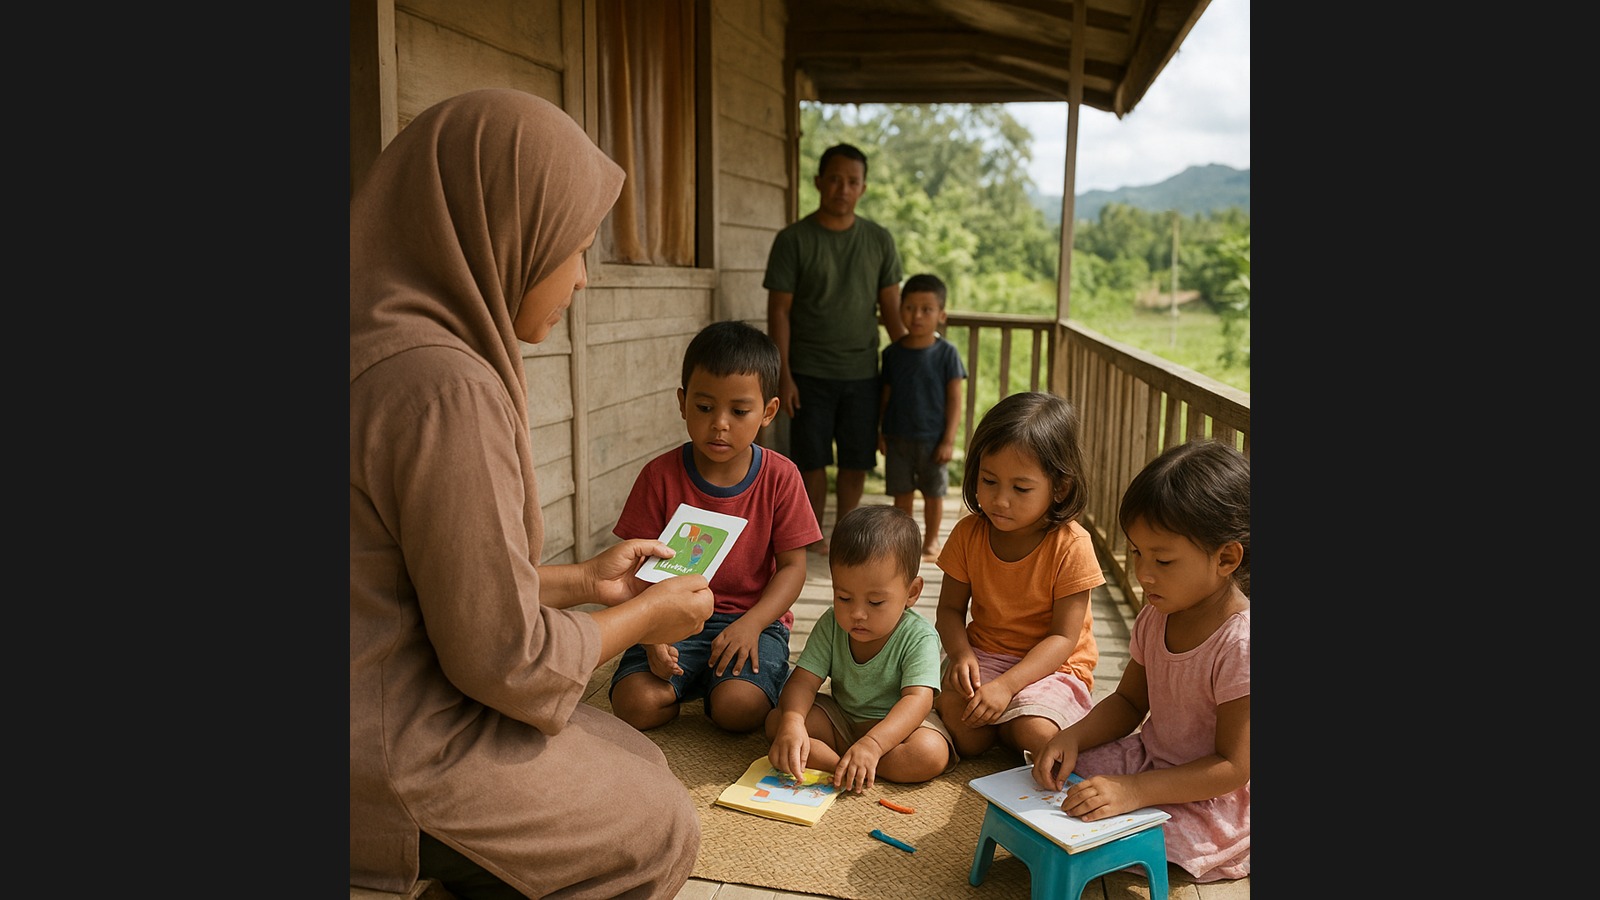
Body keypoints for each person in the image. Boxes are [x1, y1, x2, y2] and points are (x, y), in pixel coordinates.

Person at [350, 88, 717, 900]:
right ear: (505, 232)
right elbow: (505, 658)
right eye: (575, 247)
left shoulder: (375, 337)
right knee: (656, 824)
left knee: (631, 756)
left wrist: (583, 581)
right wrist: (644, 618)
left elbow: (416, 581)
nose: (582, 278)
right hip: (389, 748)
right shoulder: (442, 386)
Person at [1029, 439, 1250, 882]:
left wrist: (1133, 791)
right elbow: (1129, 702)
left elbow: (1233, 767)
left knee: (1134, 838)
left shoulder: (1239, 644)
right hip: (1150, 759)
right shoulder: (1157, 614)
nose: (1143, 574)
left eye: (1163, 560)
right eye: (1136, 553)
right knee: (1060, 784)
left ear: (1226, 557)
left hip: (1208, 791)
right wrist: (1072, 736)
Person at [609, 320, 822, 733]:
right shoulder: (659, 476)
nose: (720, 423)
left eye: (739, 412)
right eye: (705, 408)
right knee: (636, 705)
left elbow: (794, 568)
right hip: (667, 617)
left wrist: (753, 624)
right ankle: (693, 681)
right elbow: (633, 570)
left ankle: (721, 685)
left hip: (750, 619)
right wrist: (651, 637)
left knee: (738, 709)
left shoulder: (781, 477)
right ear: (682, 402)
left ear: (768, 412)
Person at [933, 391, 1104, 764]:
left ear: (1060, 487)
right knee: (966, 732)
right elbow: (949, 610)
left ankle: (1013, 724)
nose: (1000, 500)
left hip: (1053, 667)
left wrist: (1007, 688)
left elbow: (1063, 638)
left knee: (1037, 734)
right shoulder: (968, 534)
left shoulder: (1072, 545)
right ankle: (1004, 722)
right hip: (983, 655)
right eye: (989, 481)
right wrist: (961, 655)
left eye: (1021, 488)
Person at [764, 142, 907, 554]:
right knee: (811, 458)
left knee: (855, 458)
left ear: (863, 188)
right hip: (807, 371)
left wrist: (918, 360)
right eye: (835, 180)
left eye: (852, 182)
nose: (843, 189)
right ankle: (811, 534)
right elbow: (779, 311)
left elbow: (892, 312)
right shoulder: (793, 239)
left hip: (862, 370)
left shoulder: (878, 239)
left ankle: (845, 532)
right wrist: (783, 375)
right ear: (818, 182)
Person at [765, 505, 956, 793]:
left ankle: (853, 762)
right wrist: (793, 722)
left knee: (929, 754)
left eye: (875, 602)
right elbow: (804, 681)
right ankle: (845, 765)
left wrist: (874, 744)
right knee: (778, 722)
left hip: (898, 732)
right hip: (842, 722)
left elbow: (918, 700)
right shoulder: (832, 623)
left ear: (912, 592)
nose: (857, 614)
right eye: (844, 597)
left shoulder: (919, 636)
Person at [877, 272, 967, 560]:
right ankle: (904, 543)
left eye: (926, 309)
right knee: (902, 494)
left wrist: (948, 440)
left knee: (933, 493)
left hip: (933, 438)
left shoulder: (947, 353)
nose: (917, 316)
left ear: (941, 315)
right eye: (910, 308)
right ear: (900, 310)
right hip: (898, 436)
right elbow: (885, 396)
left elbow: (955, 400)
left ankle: (930, 542)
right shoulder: (892, 354)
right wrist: (880, 431)